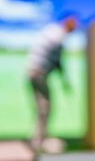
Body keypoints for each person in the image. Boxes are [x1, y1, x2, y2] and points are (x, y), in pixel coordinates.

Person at [26, 14, 78, 153]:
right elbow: (57, 61)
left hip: (33, 71)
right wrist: (64, 81)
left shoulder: (52, 30)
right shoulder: (58, 36)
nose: (76, 26)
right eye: (74, 23)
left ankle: (39, 139)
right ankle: (39, 141)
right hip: (38, 72)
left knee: (42, 106)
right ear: (67, 22)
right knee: (44, 107)